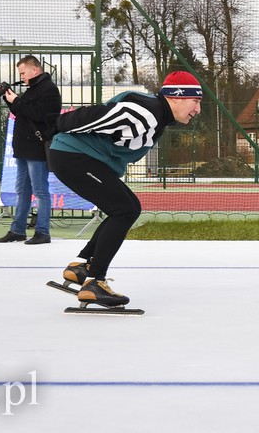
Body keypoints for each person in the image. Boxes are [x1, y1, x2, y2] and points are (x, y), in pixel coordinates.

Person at [47, 71, 202, 307]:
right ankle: (94, 282)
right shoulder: (146, 113)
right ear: (177, 97)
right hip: (74, 157)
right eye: (196, 101)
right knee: (124, 210)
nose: (198, 109)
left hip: (80, 157)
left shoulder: (157, 115)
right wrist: (51, 127)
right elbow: (95, 114)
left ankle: (82, 266)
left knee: (129, 207)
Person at [0, 55, 62, 245]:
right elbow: (22, 113)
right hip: (23, 147)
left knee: (40, 191)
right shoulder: (33, 89)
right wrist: (11, 101)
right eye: (20, 74)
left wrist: (18, 101)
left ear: (35, 70)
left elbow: (40, 115)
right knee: (22, 191)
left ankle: (42, 232)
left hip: (36, 148)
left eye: (23, 73)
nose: (22, 76)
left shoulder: (49, 90)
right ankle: (18, 230)